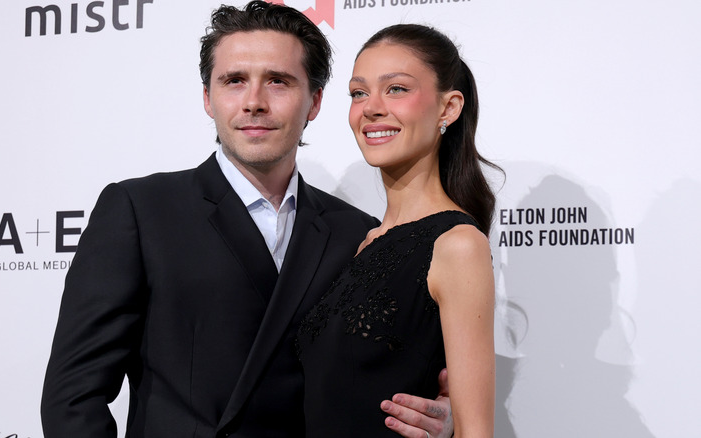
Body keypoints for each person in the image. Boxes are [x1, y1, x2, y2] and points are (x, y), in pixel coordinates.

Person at [40, 3, 455, 437]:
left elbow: (379, 375)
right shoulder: (141, 210)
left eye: (278, 81)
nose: (254, 102)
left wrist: (444, 418)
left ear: (313, 101)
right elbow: (73, 397)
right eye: (234, 81)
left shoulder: (356, 232)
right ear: (208, 98)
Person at [297, 24, 497, 437]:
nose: (370, 108)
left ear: (449, 108)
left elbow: (477, 431)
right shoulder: (362, 241)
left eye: (397, 89)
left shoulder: (457, 245)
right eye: (358, 93)